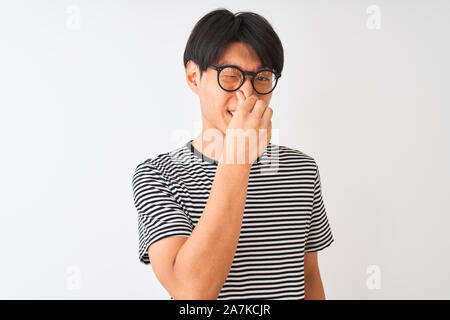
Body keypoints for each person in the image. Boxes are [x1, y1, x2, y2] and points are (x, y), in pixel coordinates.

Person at [131, 8, 334, 300]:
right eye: (230, 75)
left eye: (262, 78)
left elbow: (310, 277)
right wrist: (238, 158)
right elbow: (192, 293)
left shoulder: (302, 169)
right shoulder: (157, 175)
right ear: (193, 77)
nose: (247, 95)